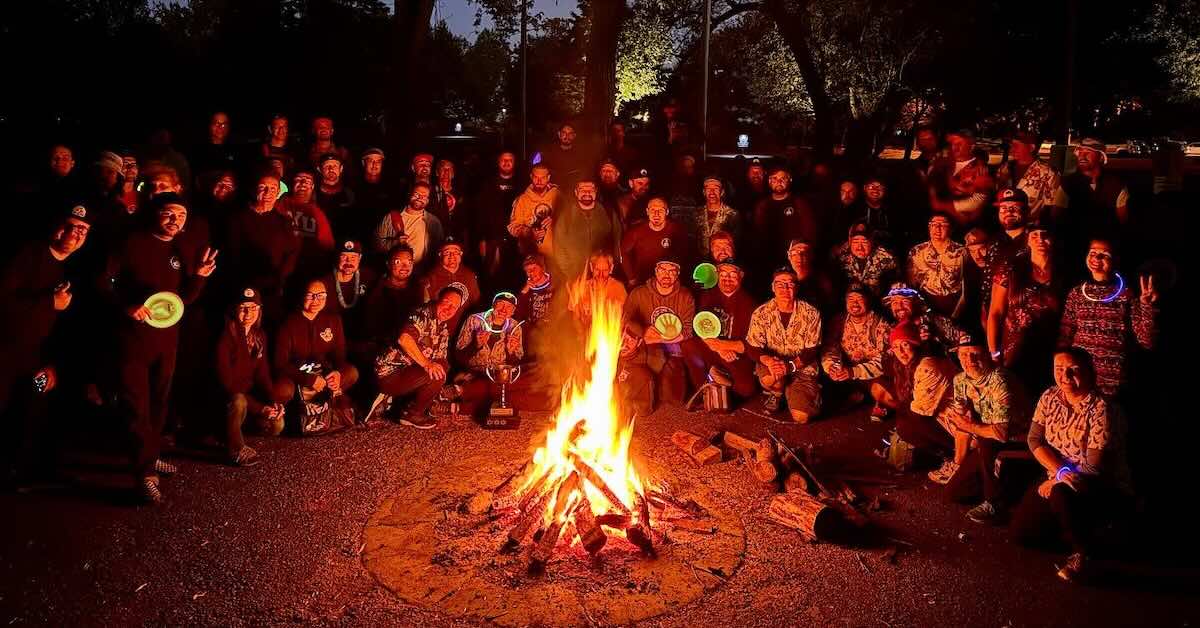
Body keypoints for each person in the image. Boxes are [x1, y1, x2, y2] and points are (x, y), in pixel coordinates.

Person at [102, 193, 218, 503]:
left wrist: (199, 278)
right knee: (136, 404)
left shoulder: (181, 249)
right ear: (155, 214)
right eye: (169, 213)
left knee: (158, 402)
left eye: (181, 216)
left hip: (166, 341)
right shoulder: (132, 243)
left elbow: (183, 300)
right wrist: (125, 306)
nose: (175, 220)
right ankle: (144, 475)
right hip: (132, 340)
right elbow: (103, 282)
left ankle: (150, 455)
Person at [1009, 348, 1133, 583]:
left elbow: (1093, 467)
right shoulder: (1050, 397)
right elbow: (1034, 439)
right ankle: (1091, 531)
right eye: (1059, 369)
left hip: (1098, 482)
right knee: (1021, 533)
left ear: (1089, 372)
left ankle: (1084, 553)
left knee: (1061, 492)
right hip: (1060, 474)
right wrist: (1059, 471)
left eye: (1073, 370)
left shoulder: (1101, 409)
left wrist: (1057, 479)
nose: (1065, 376)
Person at [0, 206, 90, 486]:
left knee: (33, 406)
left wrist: (53, 364)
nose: (75, 234)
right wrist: (47, 303)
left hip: (35, 360)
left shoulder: (72, 269)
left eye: (83, 230)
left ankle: (20, 471)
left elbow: (65, 327)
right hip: (6, 352)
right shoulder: (25, 256)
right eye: (70, 225)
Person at [939, 340, 1030, 522]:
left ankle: (994, 502)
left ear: (987, 355)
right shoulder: (961, 380)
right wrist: (959, 462)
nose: (969, 360)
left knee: (986, 442)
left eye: (975, 354)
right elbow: (961, 420)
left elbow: (1001, 432)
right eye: (964, 354)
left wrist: (969, 427)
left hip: (1018, 439)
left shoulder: (1000, 381)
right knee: (954, 493)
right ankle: (1002, 482)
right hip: (985, 434)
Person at [1057, 238, 1158, 398]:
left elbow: (1147, 341)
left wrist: (1147, 306)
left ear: (1115, 260)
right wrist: (1061, 371)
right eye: (1093, 253)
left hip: (1113, 386)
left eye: (1104, 255)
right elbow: (1065, 337)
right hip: (1078, 380)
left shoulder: (1126, 294)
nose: (1097, 258)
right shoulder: (1076, 294)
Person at [371, 286, 464, 428]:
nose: (450, 309)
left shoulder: (442, 327)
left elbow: (441, 360)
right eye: (447, 303)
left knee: (442, 366)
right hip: (390, 374)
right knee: (437, 371)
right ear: (438, 298)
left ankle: (412, 404)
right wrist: (427, 364)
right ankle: (411, 413)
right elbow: (404, 339)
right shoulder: (422, 314)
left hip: (409, 373)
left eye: (455, 307)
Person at [987, 219, 1062, 391]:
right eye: (1034, 236)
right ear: (1027, 240)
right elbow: (995, 313)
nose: (1040, 240)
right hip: (1015, 349)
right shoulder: (1010, 269)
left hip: (1050, 347)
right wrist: (994, 352)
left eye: (1045, 236)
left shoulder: (1062, 272)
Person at [619, 258, 697, 413]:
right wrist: (644, 332)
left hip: (671, 349)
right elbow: (625, 319)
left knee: (675, 398)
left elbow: (688, 330)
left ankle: (661, 383)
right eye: (662, 270)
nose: (666, 275)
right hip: (643, 346)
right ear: (656, 271)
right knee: (641, 383)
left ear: (677, 274)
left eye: (671, 271)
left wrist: (662, 337)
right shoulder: (639, 293)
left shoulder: (685, 296)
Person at [272, 279, 359, 417]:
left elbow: (339, 356)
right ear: (302, 296)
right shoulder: (288, 325)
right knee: (283, 390)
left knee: (351, 372)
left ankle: (323, 405)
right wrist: (308, 380)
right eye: (310, 295)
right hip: (298, 377)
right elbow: (280, 363)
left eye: (321, 295)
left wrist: (336, 373)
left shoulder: (333, 320)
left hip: (323, 375)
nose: (316, 300)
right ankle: (295, 411)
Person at [745, 269, 823, 422]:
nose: (785, 289)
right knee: (771, 379)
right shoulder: (761, 313)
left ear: (797, 288)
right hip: (773, 364)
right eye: (780, 284)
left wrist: (791, 366)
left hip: (800, 367)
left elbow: (812, 350)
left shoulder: (811, 313)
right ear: (773, 287)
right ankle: (777, 393)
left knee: (802, 418)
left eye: (789, 284)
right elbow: (752, 347)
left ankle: (799, 394)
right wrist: (769, 362)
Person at [214, 287, 280, 467]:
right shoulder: (226, 336)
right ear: (235, 309)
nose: (248, 312)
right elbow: (227, 385)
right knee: (239, 400)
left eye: (253, 307)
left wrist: (272, 401)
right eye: (243, 307)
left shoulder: (259, 336)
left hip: (248, 399)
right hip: (227, 400)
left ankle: (234, 433)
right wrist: (260, 408)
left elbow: (263, 373)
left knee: (277, 425)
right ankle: (235, 449)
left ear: (259, 310)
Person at [226, 174, 301, 317]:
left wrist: (280, 278)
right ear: (255, 190)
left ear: (278, 193)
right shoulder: (237, 219)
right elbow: (232, 254)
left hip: (272, 289)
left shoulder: (284, 222)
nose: (268, 193)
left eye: (273, 189)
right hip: (243, 288)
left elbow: (293, 252)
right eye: (263, 188)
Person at [683, 258, 758, 400]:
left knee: (747, 389)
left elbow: (751, 345)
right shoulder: (708, 296)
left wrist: (724, 346)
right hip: (713, 348)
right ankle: (703, 388)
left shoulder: (750, 304)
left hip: (734, 354)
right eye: (723, 274)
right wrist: (718, 348)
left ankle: (720, 380)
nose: (727, 279)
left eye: (732, 275)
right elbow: (699, 328)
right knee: (688, 345)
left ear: (740, 276)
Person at [452, 292, 529, 417]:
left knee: (510, 389)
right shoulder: (475, 320)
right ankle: (461, 394)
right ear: (493, 305)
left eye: (509, 307)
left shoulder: (515, 327)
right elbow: (459, 357)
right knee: (495, 392)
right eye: (501, 304)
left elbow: (515, 365)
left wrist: (510, 352)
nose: (504, 310)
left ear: (513, 311)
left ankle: (459, 400)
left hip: (500, 377)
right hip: (475, 373)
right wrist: (476, 345)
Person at [820, 286, 892, 419]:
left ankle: (877, 401)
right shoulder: (839, 321)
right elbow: (831, 348)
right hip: (846, 372)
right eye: (851, 299)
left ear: (868, 301)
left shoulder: (880, 323)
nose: (855, 303)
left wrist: (853, 372)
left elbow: (885, 360)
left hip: (872, 374)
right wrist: (832, 367)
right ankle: (855, 394)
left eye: (859, 299)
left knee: (885, 393)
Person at [887, 323, 957, 454]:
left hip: (956, 421)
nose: (901, 352)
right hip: (940, 413)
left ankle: (953, 453)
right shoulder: (906, 365)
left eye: (905, 344)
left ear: (915, 344)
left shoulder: (927, 367)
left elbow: (919, 411)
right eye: (896, 347)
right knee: (904, 413)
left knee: (905, 427)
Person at [1059, 138, 1128, 255]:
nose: (1082, 156)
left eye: (1088, 153)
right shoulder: (1068, 184)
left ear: (1101, 157)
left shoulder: (1116, 185)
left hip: (1106, 247)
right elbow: (1057, 218)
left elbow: (1123, 222)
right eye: (1080, 152)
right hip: (1074, 247)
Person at [754, 167, 820, 275]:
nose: (778, 182)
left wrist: (802, 255)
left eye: (783, 178)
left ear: (789, 180)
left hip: (795, 259)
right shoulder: (762, 206)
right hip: (770, 259)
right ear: (769, 181)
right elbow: (758, 234)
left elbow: (810, 233)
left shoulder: (799, 203)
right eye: (774, 178)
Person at [551, 179, 620, 281]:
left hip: (602, 275)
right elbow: (559, 246)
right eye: (582, 190)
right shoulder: (566, 216)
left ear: (596, 192)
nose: (587, 193)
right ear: (576, 192)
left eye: (591, 190)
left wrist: (611, 268)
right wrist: (569, 272)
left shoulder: (608, 213)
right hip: (576, 276)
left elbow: (617, 241)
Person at [620, 197, 692, 288]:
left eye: (660, 210)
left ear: (667, 212)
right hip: (643, 282)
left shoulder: (676, 230)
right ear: (647, 212)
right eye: (652, 210)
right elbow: (623, 252)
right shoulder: (636, 231)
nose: (656, 214)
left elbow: (684, 255)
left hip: (668, 282)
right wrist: (631, 277)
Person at [882, 282, 970, 357]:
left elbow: (964, 342)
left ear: (917, 302)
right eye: (895, 303)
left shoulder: (936, 321)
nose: (899, 307)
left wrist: (934, 342)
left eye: (905, 302)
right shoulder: (890, 330)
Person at [363, 245, 424, 351]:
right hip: (381, 348)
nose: (405, 267)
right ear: (388, 264)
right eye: (398, 262)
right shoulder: (376, 288)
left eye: (409, 262)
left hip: (410, 345)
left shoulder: (417, 287)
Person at [276, 170, 334, 278]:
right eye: (298, 180)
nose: (302, 183)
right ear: (292, 185)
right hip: (277, 265)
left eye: (307, 181)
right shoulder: (280, 205)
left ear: (312, 187)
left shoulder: (317, 213)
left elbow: (327, 246)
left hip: (306, 269)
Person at [373, 182, 444, 269]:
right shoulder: (391, 217)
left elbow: (439, 250)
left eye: (424, 196)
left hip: (423, 271)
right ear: (409, 194)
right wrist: (394, 243)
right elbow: (376, 244)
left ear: (428, 200)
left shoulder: (434, 222)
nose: (419, 198)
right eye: (416, 194)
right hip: (396, 270)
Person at [475, 151, 522, 283]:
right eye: (503, 160)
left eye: (510, 160)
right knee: (490, 275)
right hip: (492, 238)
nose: (507, 163)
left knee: (512, 275)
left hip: (514, 240)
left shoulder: (522, 185)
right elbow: (480, 213)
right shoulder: (487, 185)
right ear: (498, 162)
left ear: (515, 163)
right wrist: (482, 239)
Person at [906, 213, 965, 317]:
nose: (938, 228)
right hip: (926, 303)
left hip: (955, 304)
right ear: (929, 227)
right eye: (934, 225)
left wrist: (957, 312)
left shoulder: (962, 252)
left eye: (943, 225)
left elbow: (967, 285)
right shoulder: (916, 252)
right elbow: (912, 284)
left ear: (950, 228)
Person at [995, 131, 1061, 221]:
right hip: (1004, 223)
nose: (1012, 149)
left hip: (1030, 225)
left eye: (1016, 146)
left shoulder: (1048, 173)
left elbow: (1051, 206)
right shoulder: (1005, 168)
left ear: (1031, 148)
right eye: (1011, 146)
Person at [320, 240, 376, 343]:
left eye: (353, 257)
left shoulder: (369, 277)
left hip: (361, 337)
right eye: (344, 256)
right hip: (331, 336)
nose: (348, 262)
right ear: (337, 257)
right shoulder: (324, 283)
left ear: (360, 258)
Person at [832, 222, 898, 297]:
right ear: (849, 242)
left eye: (864, 242)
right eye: (855, 242)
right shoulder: (841, 255)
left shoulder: (886, 258)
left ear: (872, 242)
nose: (860, 248)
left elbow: (894, 288)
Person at [568, 250, 628, 334]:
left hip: (610, 337)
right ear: (591, 267)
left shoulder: (619, 288)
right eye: (597, 269)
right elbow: (575, 318)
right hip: (586, 337)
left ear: (611, 269)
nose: (600, 275)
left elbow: (625, 318)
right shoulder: (580, 287)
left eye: (605, 270)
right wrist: (582, 335)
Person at [507, 164, 559, 258]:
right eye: (536, 177)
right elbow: (512, 227)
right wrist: (528, 232)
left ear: (548, 177)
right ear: (531, 177)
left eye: (543, 178)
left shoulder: (559, 197)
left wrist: (556, 220)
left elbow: (571, 221)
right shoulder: (522, 200)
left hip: (557, 254)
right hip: (531, 256)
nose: (539, 181)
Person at [421, 239, 481, 315]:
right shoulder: (430, 277)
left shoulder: (469, 275)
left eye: (456, 252)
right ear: (440, 254)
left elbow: (476, 302)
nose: (452, 256)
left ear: (461, 254)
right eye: (447, 252)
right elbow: (426, 308)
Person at [349, 147, 396, 244]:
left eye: (378, 161)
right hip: (358, 236)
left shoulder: (390, 187)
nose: (375, 164)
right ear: (363, 163)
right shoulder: (353, 185)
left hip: (383, 238)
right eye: (371, 161)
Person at [692, 175, 740, 255]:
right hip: (701, 261)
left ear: (722, 192)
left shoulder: (732, 215)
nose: (712, 192)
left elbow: (736, 243)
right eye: (708, 188)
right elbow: (692, 238)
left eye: (716, 188)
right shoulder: (696, 213)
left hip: (723, 258)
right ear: (704, 192)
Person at [785, 239, 835, 312]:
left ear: (811, 256)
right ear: (789, 256)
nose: (799, 257)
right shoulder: (783, 279)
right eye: (795, 253)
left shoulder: (822, 282)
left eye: (804, 253)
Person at [315, 153, 356, 236]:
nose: (331, 169)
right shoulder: (313, 194)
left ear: (341, 169)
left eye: (335, 166)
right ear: (319, 169)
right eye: (327, 166)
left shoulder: (350, 195)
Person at [539, 122, 589, 190]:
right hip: (552, 189)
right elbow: (541, 172)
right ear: (559, 134)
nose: (567, 136)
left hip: (573, 190)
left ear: (574, 135)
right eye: (564, 133)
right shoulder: (548, 153)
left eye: (570, 134)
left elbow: (584, 174)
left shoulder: (582, 154)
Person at [993, 188, 1030, 264]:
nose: (1009, 211)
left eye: (1015, 207)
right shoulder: (993, 242)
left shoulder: (1037, 240)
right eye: (1003, 208)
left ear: (1027, 210)